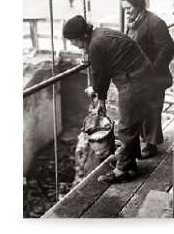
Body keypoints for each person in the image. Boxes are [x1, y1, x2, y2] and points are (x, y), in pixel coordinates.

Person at [62, 15, 155, 184]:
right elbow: (103, 72)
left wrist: (99, 96)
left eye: (73, 40)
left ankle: (122, 171)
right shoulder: (99, 34)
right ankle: (129, 160)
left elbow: (101, 76)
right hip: (141, 74)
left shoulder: (96, 45)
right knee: (132, 122)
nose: (73, 45)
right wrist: (101, 100)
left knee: (126, 126)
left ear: (83, 36)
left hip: (134, 80)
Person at [121, 0, 174, 159]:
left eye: (128, 8)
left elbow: (167, 49)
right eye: (124, 9)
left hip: (153, 76)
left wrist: (153, 69)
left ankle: (151, 145)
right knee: (138, 109)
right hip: (138, 75)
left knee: (152, 109)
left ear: (138, 6)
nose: (126, 12)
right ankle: (141, 141)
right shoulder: (132, 22)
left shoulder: (155, 23)